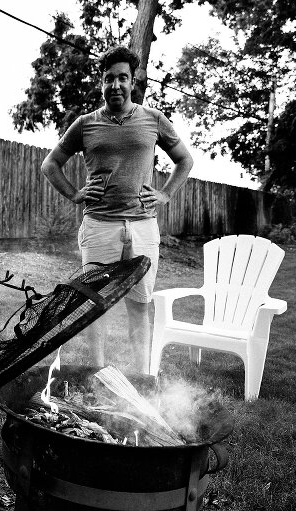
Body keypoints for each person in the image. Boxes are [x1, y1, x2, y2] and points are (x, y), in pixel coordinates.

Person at [41, 45, 194, 374]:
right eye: (109, 79)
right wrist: (74, 193)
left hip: (142, 228)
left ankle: (141, 380)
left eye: (122, 78)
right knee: (95, 306)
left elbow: (185, 160)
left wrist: (166, 194)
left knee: (139, 306)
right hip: (99, 227)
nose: (116, 85)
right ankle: (98, 377)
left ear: (132, 81)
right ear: (101, 82)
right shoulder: (86, 124)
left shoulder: (153, 120)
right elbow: (50, 164)